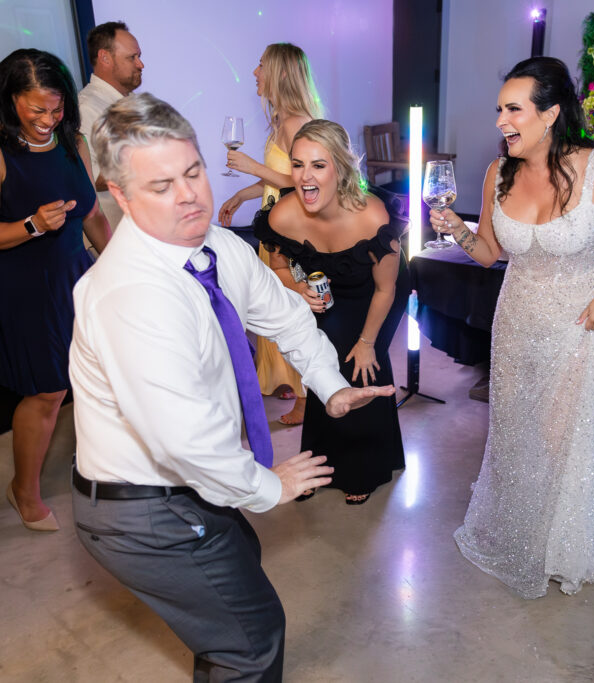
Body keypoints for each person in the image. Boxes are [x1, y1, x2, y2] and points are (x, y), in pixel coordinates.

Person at [69, 92, 394, 681]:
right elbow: (184, 440)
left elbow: (287, 316)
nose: (190, 194)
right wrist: (264, 485)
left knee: (233, 621)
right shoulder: (132, 296)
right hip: (145, 508)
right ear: (119, 194)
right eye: (161, 185)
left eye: (192, 171)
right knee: (251, 640)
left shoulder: (216, 247)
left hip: (194, 485)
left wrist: (329, 384)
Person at [433, 57, 594, 598]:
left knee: (564, 436)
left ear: (551, 113)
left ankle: (562, 547)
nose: (500, 121)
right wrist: (455, 230)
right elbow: (489, 254)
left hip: (584, 321)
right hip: (516, 320)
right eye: (499, 110)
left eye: (513, 109)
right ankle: (520, 530)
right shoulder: (498, 173)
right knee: (518, 430)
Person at [0, 49, 111, 532]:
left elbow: (91, 212)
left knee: (92, 380)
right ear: (10, 100)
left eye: (57, 108)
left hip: (76, 277)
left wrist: (118, 266)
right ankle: (23, 490)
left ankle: (101, 469)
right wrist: (31, 224)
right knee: (48, 391)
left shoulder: (75, 142)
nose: (49, 119)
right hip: (26, 284)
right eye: (36, 110)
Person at [253, 120, 409, 505]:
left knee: (360, 362)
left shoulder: (371, 215)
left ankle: (365, 466)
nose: (305, 177)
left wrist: (369, 341)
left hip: (380, 291)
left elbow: (387, 288)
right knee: (324, 356)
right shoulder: (283, 216)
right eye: (297, 164)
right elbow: (279, 270)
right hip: (327, 289)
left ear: (340, 169)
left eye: (318, 165)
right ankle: (320, 463)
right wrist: (299, 288)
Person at [218, 43, 323, 426]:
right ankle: (300, 391)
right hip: (272, 231)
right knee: (279, 313)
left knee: (296, 314)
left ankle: (309, 395)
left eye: (260, 65)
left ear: (279, 73)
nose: (254, 72)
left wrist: (249, 167)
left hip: (292, 237)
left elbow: (304, 182)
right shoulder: (282, 120)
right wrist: (240, 194)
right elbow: (274, 184)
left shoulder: (297, 123)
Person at [78, 21, 144, 231]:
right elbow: (91, 179)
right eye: (132, 57)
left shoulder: (133, 102)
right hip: (112, 239)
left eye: (139, 56)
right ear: (105, 58)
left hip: (141, 231)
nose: (140, 64)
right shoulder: (85, 108)